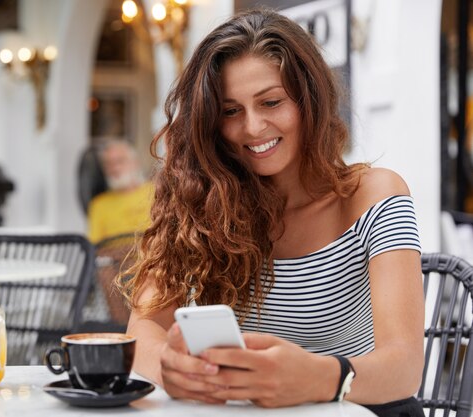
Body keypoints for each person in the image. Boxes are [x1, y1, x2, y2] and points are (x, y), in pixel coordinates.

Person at [119, 8, 425, 417]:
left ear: (309, 100)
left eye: (271, 102)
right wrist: (172, 367)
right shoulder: (205, 202)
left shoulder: (373, 194)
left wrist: (314, 378)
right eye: (230, 111)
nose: (252, 127)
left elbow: (404, 367)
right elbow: (144, 329)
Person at [87, 140, 154, 244]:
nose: (115, 168)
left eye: (120, 161)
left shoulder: (157, 193)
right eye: (108, 164)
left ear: (135, 162)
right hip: (114, 260)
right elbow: (95, 247)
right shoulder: (99, 204)